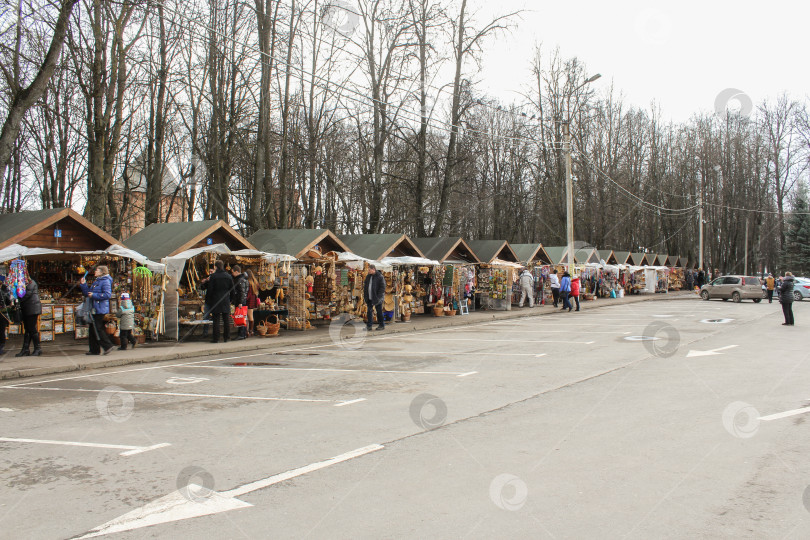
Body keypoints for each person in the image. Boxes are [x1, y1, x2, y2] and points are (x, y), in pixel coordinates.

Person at [80, 265, 114, 356]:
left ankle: (107, 345)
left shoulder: (105, 281)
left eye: (97, 270)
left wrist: (94, 295)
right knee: (92, 328)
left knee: (97, 328)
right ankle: (94, 349)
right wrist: (83, 284)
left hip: (100, 308)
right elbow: (88, 293)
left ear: (102, 272)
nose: (95, 271)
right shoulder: (97, 281)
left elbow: (107, 295)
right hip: (94, 308)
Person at [207, 260, 234, 343]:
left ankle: (216, 338)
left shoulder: (213, 277)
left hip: (216, 300)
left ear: (216, 267)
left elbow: (210, 290)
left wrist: (208, 300)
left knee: (216, 320)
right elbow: (232, 290)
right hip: (225, 300)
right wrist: (231, 300)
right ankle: (227, 337)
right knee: (226, 320)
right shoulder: (228, 276)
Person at [363, 264, 386, 330]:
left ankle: (382, 325)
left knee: (379, 312)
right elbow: (365, 287)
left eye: (369, 270)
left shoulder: (380, 276)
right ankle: (369, 326)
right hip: (369, 297)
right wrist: (366, 296)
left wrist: (378, 297)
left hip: (377, 298)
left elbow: (382, 287)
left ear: (373, 269)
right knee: (369, 312)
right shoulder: (368, 277)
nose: (368, 271)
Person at [231, 265, 248, 340]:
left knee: (240, 317)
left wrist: (240, 302)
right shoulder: (243, 279)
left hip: (240, 301)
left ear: (236, 271)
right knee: (242, 317)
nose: (232, 274)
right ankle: (243, 334)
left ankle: (241, 334)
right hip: (241, 300)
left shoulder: (239, 280)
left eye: (233, 272)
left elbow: (242, 291)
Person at [199, 265, 215, 338]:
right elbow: (202, 288)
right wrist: (204, 282)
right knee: (206, 317)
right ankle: (205, 333)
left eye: (212, 271)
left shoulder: (216, 278)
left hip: (215, 301)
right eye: (210, 271)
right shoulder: (208, 278)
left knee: (215, 317)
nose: (210, 273)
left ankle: (215, 332)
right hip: (208, 300)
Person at [245, 269, 261, 336]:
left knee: (246, 317)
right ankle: (251, 331)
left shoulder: (248, 282)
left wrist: (245, 298)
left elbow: (248, 293)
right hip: (253, 300)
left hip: (248, 301)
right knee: (251, 316)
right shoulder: (255, 282)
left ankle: (247, 331)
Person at [0, 275, 12, 356]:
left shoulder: (3, 291)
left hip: (2, 313)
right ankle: (1, 347)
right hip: (3, 313)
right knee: (1, 330)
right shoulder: (4, 290)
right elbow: (9, 302)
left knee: (1, 330)